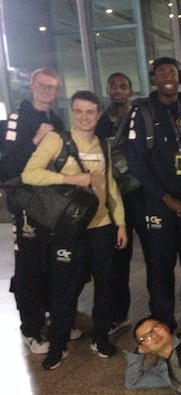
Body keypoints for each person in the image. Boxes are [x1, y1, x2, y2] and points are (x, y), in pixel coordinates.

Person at [22, 90, 127, 369]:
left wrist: (121, 223)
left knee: (106, 287)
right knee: (64, 289)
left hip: (102, 227)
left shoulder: (105, 145)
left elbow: (111, 187)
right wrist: (71, 178)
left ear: (98, 113)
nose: (84, 117)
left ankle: (101, 337)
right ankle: (58, 345)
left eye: (90, 112)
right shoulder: (57, 140)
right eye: (79, 111)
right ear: (72, 112)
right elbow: (29, 174)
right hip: (69, 229)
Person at [127, 57, 181, 332]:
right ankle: (163, 322)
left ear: (180, 76)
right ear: (154, 78)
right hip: (159, 205)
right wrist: (167, 199)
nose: (167, 76)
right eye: (161, 72)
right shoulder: (143, 112)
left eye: (172, 71)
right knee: (160, 267)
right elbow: (136, 163)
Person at [3, 67, 66, 354]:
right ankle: (30, 327)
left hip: (51, 204)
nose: (47, 91)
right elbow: (7, 164)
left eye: (52, 87)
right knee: (29, 267)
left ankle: (52, 319)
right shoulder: (19, 117)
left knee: (51, 264)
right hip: (27, 203)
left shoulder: (56, 118)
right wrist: (35, 141)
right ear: (31, 85)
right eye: (42, 85)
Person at [96, 72, 150, 335]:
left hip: (141, 196)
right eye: (113, 85)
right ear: (108, 89)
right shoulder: (98, 121)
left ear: (130, 90)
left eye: (123, 86)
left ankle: (159, 313)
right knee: (118, 259)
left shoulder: (140, 117)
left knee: (155, 256)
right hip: (111, 200)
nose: (118, 90)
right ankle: (118, 314)